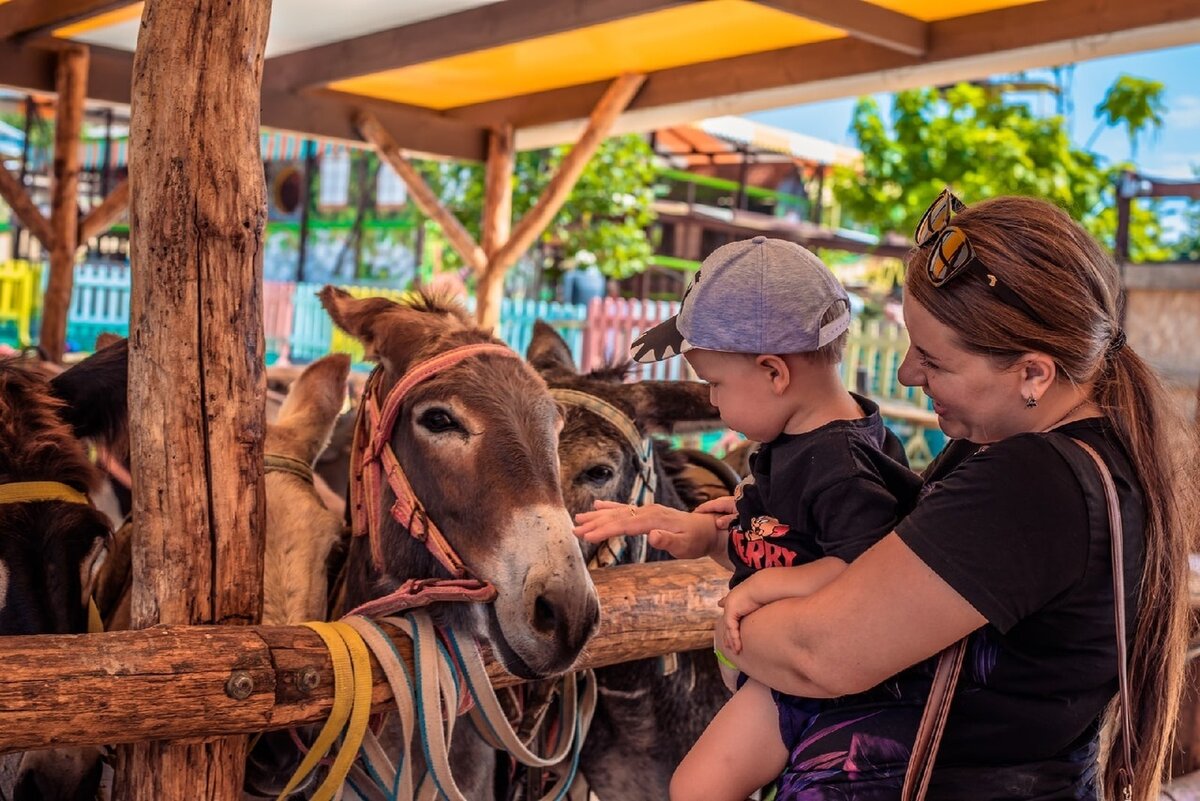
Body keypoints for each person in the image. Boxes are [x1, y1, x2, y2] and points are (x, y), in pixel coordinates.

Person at [715, 191, 1197, 801]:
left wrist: (734, 626)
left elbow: (819, 652)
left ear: (1032, 374)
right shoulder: (1076, 455)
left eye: (934, 361)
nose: (906, 375)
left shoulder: (1034, 482)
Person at [572, 236, 923, 801]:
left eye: (715, 383)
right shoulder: (789, 441)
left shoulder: (844, 467)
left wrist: (761, 589)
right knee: (695, 786)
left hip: (845, 692)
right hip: (776, 680)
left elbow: (871, 570)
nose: (711, 401)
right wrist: (698, 532)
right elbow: (778, 539)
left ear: (773, 373)